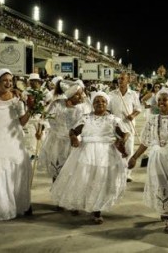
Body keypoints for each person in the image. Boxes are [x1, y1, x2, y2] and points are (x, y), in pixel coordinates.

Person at [51, 91, 129, 224]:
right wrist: (73, 138)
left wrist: (122, 141)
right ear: (92, 104)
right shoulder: (86, 118)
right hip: (86, 152)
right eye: (97, 101)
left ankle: (97, 211)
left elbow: (125, 133)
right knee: (83, 179)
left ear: (107, 103)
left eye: (103, 101)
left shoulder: (113, 119)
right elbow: (73, 131)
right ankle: (76, 203)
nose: (100, 103)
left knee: (100, 181)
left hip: (106, 154)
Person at [128, 86, 168, 234]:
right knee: (161, 186)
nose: (161, 102)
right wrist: (134, 157)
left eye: (165, 100)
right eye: (159, 100)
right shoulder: (152, 119)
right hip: (157, 159)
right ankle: (167, 217)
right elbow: (145, 141)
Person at [0, 69, 32, 222]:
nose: (8, 83)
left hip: (14, 140)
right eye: (5, 80)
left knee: (15, 173)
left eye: (10, 81)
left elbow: (22, 121)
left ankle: (18, 204)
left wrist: (31, 109)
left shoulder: (17, 100)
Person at [39, 80, 84, 184]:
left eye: (81, 94)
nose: (81, 96)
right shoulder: (57, 104)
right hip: (57, 141)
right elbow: (47, 118)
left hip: (74, 141)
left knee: (73, 171)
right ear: (70, 95)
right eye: (77, 94)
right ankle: (56, 192)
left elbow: (82, 123)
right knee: (58, 169)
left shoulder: (81, 107)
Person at [108, 72, 142, 182]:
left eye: (122, 79)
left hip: (128, 126)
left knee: (128, 150)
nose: (120, 81)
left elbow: (138, 109)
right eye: (119, 79)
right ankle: (117, 171)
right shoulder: (111, 94)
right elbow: (108, 110)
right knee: (116, 149)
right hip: (115, 126)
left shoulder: (133, 95)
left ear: (128, 81)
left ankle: (127, 173)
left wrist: (132, 115)